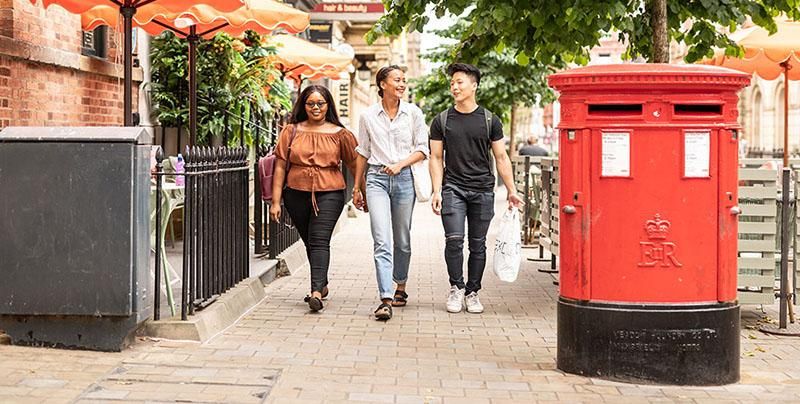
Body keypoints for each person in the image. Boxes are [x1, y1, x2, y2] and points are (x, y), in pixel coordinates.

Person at [429, 63, 523, 314]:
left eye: (459, 82)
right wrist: (437, 190)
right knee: (454, 241)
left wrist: (512, 190)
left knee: (478, 244)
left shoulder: (490, 120)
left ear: (474, 85)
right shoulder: (442, 120)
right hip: (453, 188)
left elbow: (501, 157)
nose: (454, 87)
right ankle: (456, 288)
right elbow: (436, 158)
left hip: (482, 189)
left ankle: (472, 292)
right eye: (452, 83)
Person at [270, 85, 359, 312]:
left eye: (321, 103)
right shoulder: (291, 131)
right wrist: (275, 201)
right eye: (311, 103)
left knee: (319, 240)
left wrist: (360, 191)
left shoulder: (341, 134)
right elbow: (280, 166)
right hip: (295, 193)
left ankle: (316, 292)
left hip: (330, 192)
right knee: (310, 240)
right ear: (304, 105)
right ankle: (323, 283)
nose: (316, 108)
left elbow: (354, 164)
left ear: (328, 105)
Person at [353, 65, 429, 321]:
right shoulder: (367, 116)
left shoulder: (413, 114)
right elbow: (363, 151)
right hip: (376, 178)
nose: (402, 84)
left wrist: (400, 165)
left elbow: (422, 150)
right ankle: (385, 297)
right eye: (397, 80)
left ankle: (401, 285)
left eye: (404, 80)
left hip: (405, 178)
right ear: (382, 84)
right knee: (381, 239)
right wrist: (357, 187)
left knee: (402, 239)